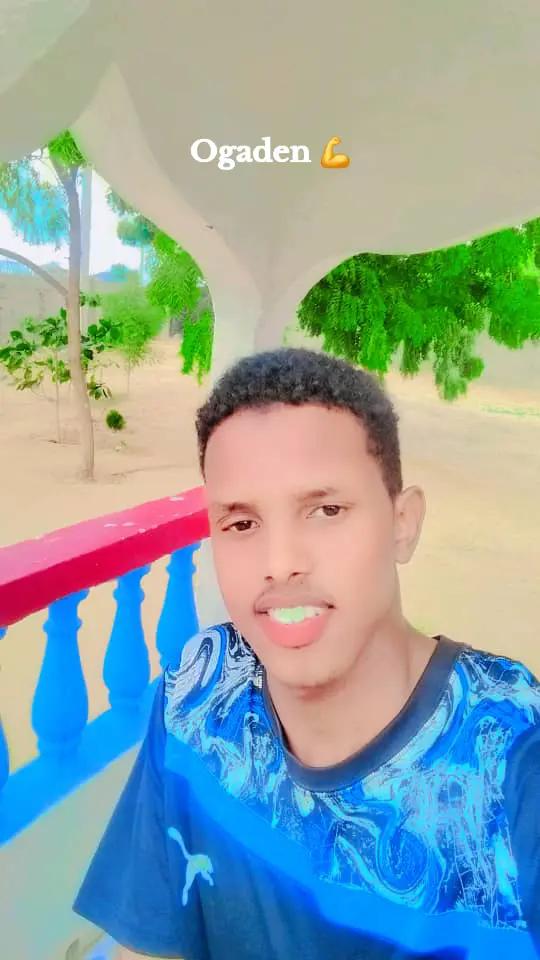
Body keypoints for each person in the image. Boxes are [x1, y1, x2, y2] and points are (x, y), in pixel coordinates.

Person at [73, 347, 540, 959]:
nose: (280, 562)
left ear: (403, 523)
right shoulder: (201, 694)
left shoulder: (511, 761)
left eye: (326, 510)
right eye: (242, 524)